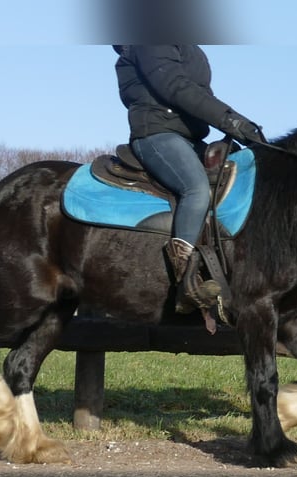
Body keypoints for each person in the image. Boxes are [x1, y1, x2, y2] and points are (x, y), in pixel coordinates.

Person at [113, 44, 266, 314]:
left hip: (190, 138)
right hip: (157, 134)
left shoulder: (186, 45)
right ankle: (186, 283)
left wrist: (238, 127)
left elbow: (201, 96)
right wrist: (232, 122)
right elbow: (175, 87)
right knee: (196, 189)